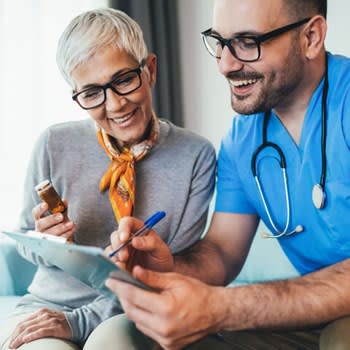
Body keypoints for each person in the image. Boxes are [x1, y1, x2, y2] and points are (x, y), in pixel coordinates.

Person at [105, 0, 350, 349]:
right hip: (315, 317)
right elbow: (221, 252)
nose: (225, 64)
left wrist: (223, 307)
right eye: (220, 42)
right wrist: (165, 267)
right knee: (127, 335)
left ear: (311, 37)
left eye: (248, 43)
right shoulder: (242, 140)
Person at [0, 8, 216, 350]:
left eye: (124, 79)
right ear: (77, 95)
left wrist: (79, 322)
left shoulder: (196, 156)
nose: (114, 105)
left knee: (112, 343)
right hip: (48, 306)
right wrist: (48, 242)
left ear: (151, 71)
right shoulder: (53, 144)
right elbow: (29, 245)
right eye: (91, 93)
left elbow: (169, 278)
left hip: (136, 310)